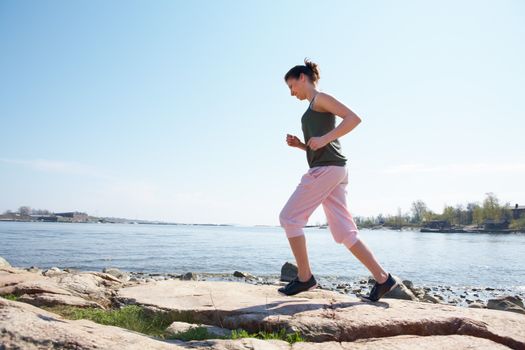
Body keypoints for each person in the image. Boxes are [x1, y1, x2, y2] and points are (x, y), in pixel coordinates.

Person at [278, 58, 398, 302]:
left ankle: (305, 278)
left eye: (292, 86)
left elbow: (353, 118)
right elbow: (321, 147)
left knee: (289, 218)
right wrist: (302, 146)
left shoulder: (320, 99)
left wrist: (325, 139)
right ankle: (384, 279)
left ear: (303, 78)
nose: (292, 93)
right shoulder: (311, 107)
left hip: (327, 170)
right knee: (344, 231)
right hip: (333, 169)